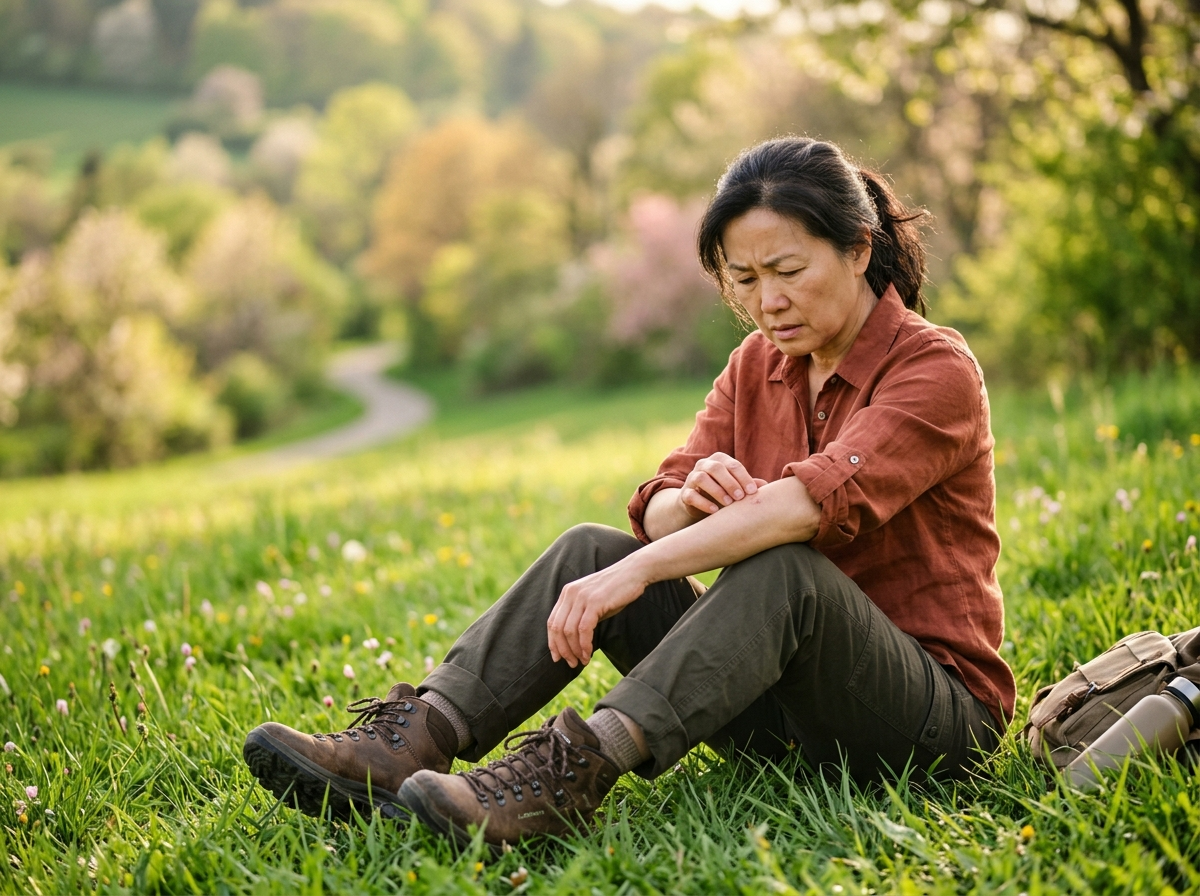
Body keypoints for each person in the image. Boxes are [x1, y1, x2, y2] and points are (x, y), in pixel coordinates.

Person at [242, 136, 1015, 847]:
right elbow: (657, 502)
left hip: (930, 723)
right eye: (743, 280)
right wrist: (693, 503)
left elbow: (806, 510)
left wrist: (642, 569)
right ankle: (410, 741)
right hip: (783, 709)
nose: (767, 301)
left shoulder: (932, 369)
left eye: (787, 272)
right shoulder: (757, 364)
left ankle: (566, 776)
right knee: (588, 548)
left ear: (857, 248)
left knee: (784, 569)